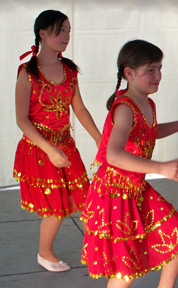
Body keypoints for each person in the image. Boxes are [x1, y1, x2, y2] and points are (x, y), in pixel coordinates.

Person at [81, 39, 178, 288]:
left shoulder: (147, 103)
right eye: (151, 69)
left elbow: (149, 131)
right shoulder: (123, 108)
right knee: (126, 263)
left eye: (160, 68)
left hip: (135, 188)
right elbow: (113, 154)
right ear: (129, 73)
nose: (158, 76)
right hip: (113, 192)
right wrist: (160, 167)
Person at [13, 10, 101, 272]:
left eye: (68, 30)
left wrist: (100, 139)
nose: (66, 36)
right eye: (60, 30)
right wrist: (49, 150)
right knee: (55, 207)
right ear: (42, 33)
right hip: (40, 147)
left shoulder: (69, 70)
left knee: (86, 200)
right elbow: (22, 120)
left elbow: (80, 110)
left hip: (66, 144)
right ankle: (45, 253)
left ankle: (98, 251)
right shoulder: (28, 72)